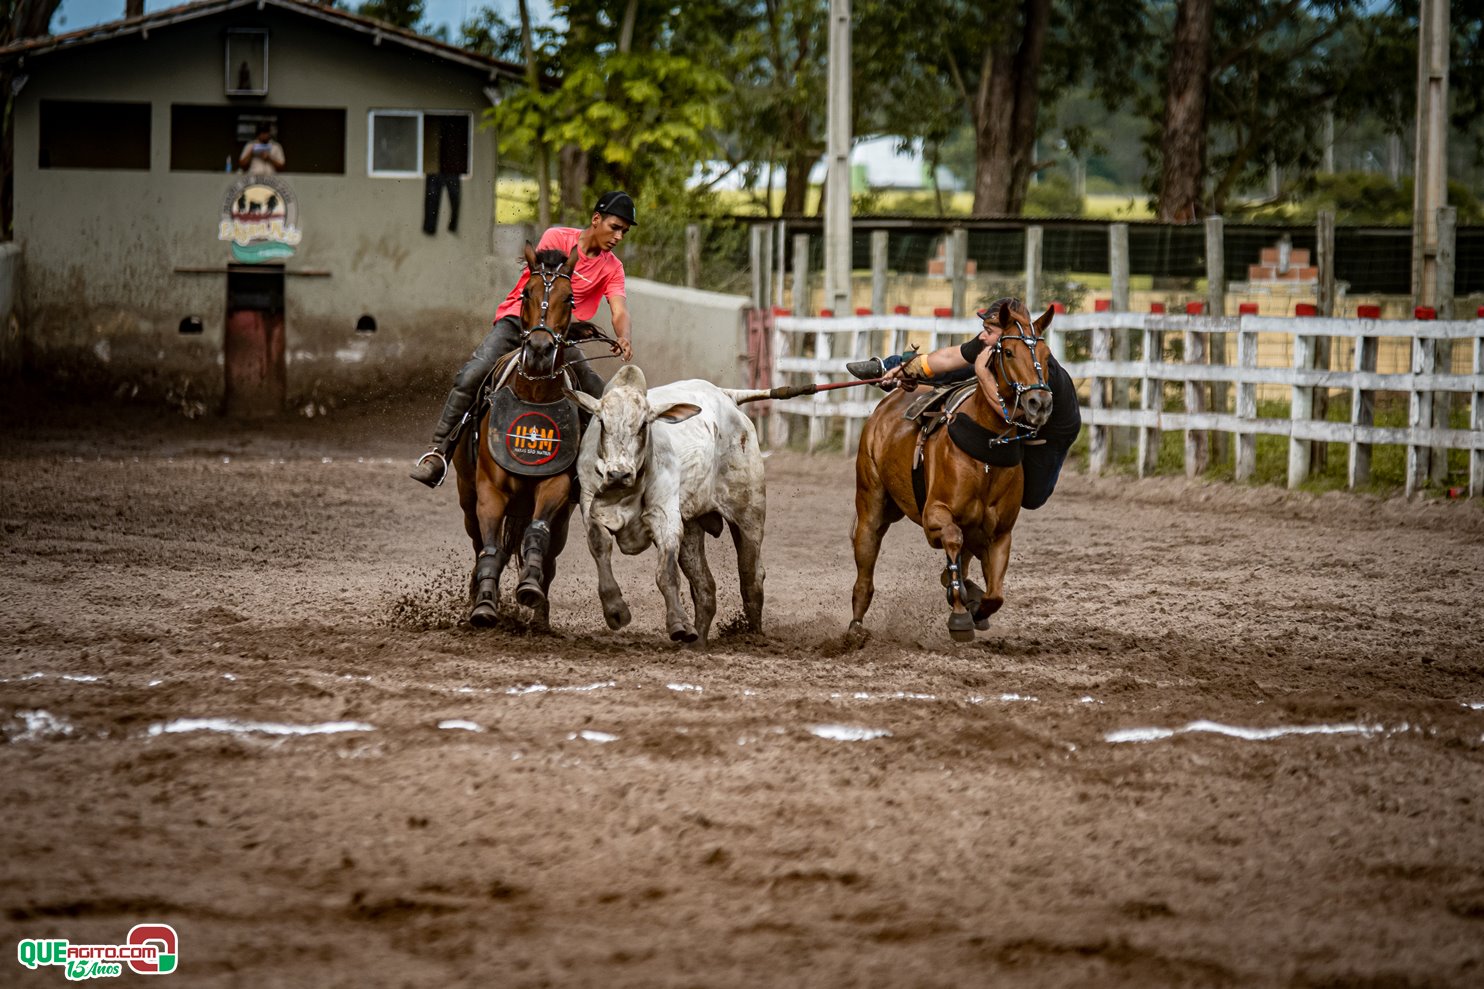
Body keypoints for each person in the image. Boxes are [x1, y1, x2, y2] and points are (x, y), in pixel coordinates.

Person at [409, 191, 637, 488]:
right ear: (596, 219)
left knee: (597, 392)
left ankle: (592, 466)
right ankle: (438, 453)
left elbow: (619, 309)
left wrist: (623, 336)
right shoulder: (557, 237)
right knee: (473, 374)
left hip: (559, 336)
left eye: (624, 232)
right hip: (518, 322)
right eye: (615, 227)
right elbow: (542, 284)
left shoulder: (612, 267)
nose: (618, 236)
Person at [845, 298, 1081, 510]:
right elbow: (950, 358)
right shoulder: (995, 343)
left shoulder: (1037, 366)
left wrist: (982, 373)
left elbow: (1009, 413)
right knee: (961, 368)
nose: (982, 336)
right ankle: (890, 366)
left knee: (1030, 497)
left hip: (1050, 429)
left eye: (988, 331)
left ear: (1008, 332)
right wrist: (904, 370)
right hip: (1015, 395)